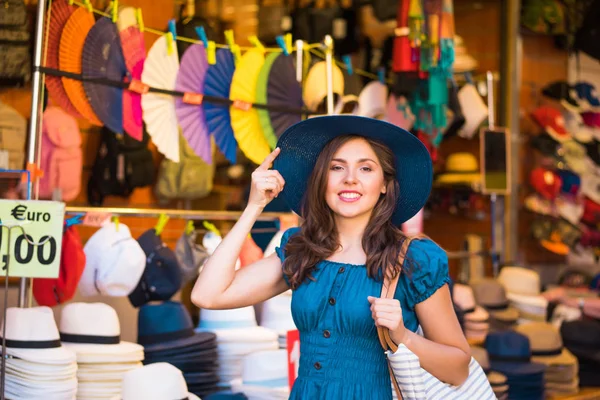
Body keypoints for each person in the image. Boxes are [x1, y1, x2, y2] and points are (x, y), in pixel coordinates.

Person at [192, 116, 471, 399]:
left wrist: (403, 336)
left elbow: (458, 368)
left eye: (366, 168)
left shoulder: (414, 259)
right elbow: (209, 295)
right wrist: (254, 206)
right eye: (337, 167)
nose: (350, 178)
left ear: (385, 184)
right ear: (321, 179)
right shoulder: (302, 250)